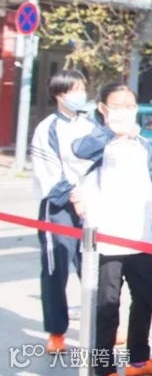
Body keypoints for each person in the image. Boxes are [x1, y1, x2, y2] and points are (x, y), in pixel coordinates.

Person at [73, 83, 152, 376]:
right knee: (107, 308)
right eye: (118, 106)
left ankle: (138, 361)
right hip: (107, 243)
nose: (125, 111)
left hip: (140, 239)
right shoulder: (96, 145)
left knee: (146, 300)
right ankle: (104, 368)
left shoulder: (142, 145)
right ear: (103, 109)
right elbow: (78, 153)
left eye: (130, 105)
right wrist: (110, 132)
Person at [30, 69, 95, 354]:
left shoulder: (90, 125)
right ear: (59, 94)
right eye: (74, 89)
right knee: (56, 269)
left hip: (91, 206)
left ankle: (101, 324)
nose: (80, 94)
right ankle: (56, 331)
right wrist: (74, 196)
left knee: (93, 268)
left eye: (82, 88)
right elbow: (48, 172)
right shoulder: (48, 128)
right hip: (59, 207)